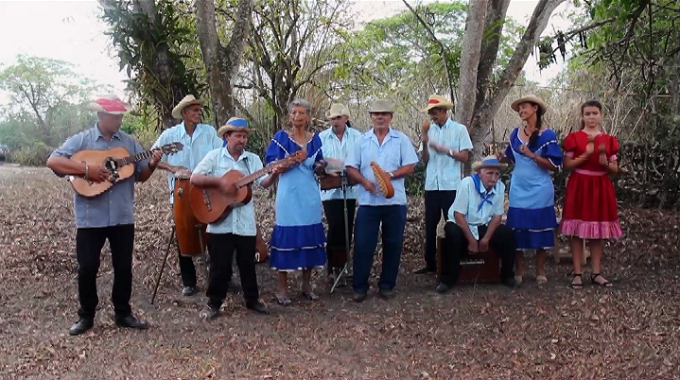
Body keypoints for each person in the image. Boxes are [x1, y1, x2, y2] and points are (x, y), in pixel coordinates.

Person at [46, 95, 162, 336]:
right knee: (87, 267)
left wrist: (151, 163)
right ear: (101, 116)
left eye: (121, 116)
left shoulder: (128, 143)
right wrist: (87, 169)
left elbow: (140, 175)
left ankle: (123, 313)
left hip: (122, 215)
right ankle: (86, 316)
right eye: (115, 116)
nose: (119, 120)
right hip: (91, 217)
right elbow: (53, 161)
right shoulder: (82, 140)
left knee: (123, 267)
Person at [190, 117, 269, 318]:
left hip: (245, 222)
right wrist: (219, 183)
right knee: (219, 266)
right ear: (227, 137)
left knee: (247, 264)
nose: (242, 140)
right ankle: (213, 304)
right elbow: (195, 178)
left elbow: (264, 182)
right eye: (238, 136)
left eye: (244, 136)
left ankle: (252, 300)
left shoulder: (252, 160)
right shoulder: (214, 157)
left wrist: (275, 172)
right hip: (219, 222)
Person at [345, 99, 418, 302]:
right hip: (368, 202)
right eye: (376, 114)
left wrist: (390, 176)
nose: (380, 117)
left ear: (390, 117)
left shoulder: (401, 140)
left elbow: (410, 166)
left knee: (393, 244)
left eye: (384, 114)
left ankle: (387, 285)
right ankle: (360, 287)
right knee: (363, 244)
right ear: (371, 117)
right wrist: (364, 181)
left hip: (394, 202)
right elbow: (351, 166)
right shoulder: (361, 141)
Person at [151, 94, 223, 296]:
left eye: (199, 109)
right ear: (184, 113)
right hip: (180, 192)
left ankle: (219, 278)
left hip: (206, 190)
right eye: (193, 110)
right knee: (182, 232)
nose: (198, 113)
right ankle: (189, 281)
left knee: (214, 231)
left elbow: (221, 154)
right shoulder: (170, 135)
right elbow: (152, 157)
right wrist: (171, 166)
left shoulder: (209, 133)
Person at [262, 99, 327, 306]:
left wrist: (321, 165)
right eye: (294, 113)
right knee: (286, 238)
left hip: (309, 195)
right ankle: (282, 289)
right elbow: (270, 164)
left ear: (308, 116)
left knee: (309, 235)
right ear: (289, 116)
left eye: (301, 113)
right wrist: (283, 164)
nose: (297, 116)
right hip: (288, 194)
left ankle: (306, 285)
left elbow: (320, 162)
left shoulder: (315, 140)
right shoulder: (281, 138)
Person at [499, 95, 562, 285]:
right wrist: (500, 158)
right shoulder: (514, 134)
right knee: (518, 227)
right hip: (519, 187)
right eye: (519, 109)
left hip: (540, 189)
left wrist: (532, 155)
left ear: (535, 108)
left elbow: (553, 165)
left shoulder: (547, 135)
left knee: (540, 226)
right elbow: (509, 157)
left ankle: (540, 270)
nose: (521, 111)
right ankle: (519, 269)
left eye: (524, 107)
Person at [559, 100, 622, 288]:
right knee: (577, 231)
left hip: (600, 186)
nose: (591, 117)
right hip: (579, 184)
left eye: (595, 113)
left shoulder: (609, 140)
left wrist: (604, 163)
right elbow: (566, 165)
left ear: (601, 115)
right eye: (587, 114)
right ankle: (577, 273)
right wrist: (585, 155)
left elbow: (615, 168)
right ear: (582, 116)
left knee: (597, 232)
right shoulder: (575, 138)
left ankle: (596, 273)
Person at [437, 156, 519, 292]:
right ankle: (448, 279)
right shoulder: (467, 184)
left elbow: (497, 216)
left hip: (482, 224)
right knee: (452, 233)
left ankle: (507, 276)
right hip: (461, 224)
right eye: (489, 173)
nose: (494, 178)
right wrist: (471, 240)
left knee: (507, 234)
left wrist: (485, 239)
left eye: (497, 174)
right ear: (480, 173)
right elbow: (459, 215)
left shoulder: (499, 187)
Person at [415, 94, 473, 275]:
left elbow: (464, 157)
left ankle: (458, 258)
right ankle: (430, 263)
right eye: (430, 113)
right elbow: (424, 160)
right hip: (432, 186)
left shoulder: (459, 130)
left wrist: (445, 150)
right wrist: (425, 144)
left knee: (454, 223)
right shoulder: (428, 131)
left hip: (451, 185)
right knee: (430, 224)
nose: (432, 116)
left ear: (443, 111)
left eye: (434, 112)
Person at [318, 103, 362, 277]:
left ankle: (344, 266)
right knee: (335, 226)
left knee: (347, 226)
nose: (335, 121)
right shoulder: (321, 137)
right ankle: (333, 266)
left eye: (338, 118)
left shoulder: (357, 137)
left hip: (350, 190)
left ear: (346, 118)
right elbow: (316, 161)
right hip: (330, 191)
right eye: (332, 118)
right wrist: (322, 166)